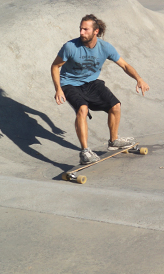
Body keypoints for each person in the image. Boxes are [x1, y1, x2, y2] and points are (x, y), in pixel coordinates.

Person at [51, 14, 150, 164]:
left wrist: (139, 78)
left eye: (85, 29)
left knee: (115, 106)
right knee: (82, 109)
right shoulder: (70, 47)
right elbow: (55, 66)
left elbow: (124, 65)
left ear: (95, 31)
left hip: (91, 83)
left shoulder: (105, 47)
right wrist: (58, 89)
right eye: (80, 29)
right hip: (70, 84)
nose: (81, 32)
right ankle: (85, 152)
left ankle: (114, 140)